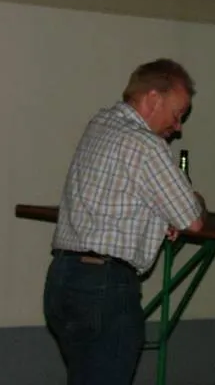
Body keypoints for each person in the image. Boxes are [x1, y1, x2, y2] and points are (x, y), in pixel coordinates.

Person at [44, 58, 206, 385]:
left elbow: (121, 197)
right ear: (153, 99)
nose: (178, 127)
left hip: (62, 279)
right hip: (105, 288)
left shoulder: (100, 124)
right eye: (177, 114)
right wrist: (196, 200)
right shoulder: (145, 144)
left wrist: (159, 217)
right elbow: (192, 220)